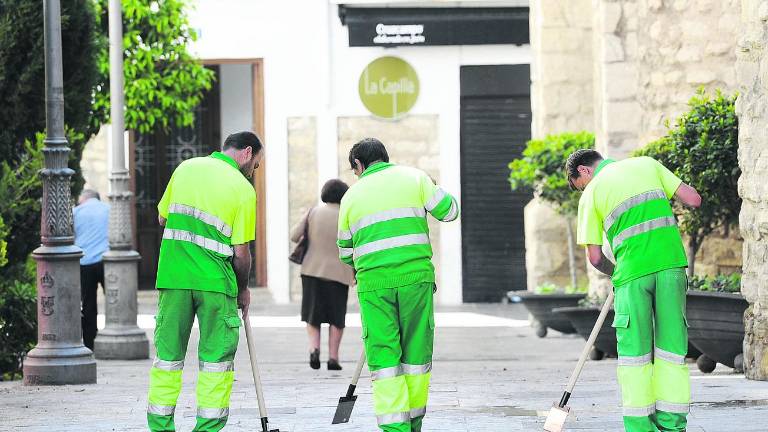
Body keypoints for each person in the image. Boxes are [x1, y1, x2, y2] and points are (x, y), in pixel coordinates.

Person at [566, 149, 701, 432]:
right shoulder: (647, 164)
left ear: (584, 171)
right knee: (671, 351)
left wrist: (617, 272)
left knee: (635, 357)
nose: (583, 190)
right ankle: (673, 425)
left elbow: (594, 258)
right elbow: (694, 199)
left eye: (580, 185)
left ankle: (640, 427)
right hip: (671, 267)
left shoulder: (591, 195)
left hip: (631, 277)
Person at [337, 138, 459, 432]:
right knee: (416, 355)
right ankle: (414, 422)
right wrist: (432, 183)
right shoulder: (416, 178)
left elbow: (344, 251)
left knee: (384, 356)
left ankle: (395, 428)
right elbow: (451, 211)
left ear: (358, 165)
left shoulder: (351, 196)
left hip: (374, 285)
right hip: (416, 280)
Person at [146, 131, 263, 432]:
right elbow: (241, 252)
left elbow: (162, 218)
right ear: (247, 153)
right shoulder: (243, 188)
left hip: (174, 277)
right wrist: (244, 289)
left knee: (168, 358)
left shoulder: (186, 168)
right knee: (215, 360)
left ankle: (160, 425)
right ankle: (207, 426)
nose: (255, 171)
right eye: (257, 164)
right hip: (215, 283)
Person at [291, 179, 354, 371]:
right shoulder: (347, 216)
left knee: (313, 314)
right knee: (336, 317)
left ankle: (314, 349)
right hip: (339, 273)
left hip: (312, 270)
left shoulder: (314, 212)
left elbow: (294, 236)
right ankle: (333, 358)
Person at [73, 189, 110, 351]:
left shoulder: (76, 211)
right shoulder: (109, 209)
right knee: (114, 300)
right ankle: (113, 334)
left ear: (84, 198)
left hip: (84, 261)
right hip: (106, 261)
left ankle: (89, 342)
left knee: (88, 303)